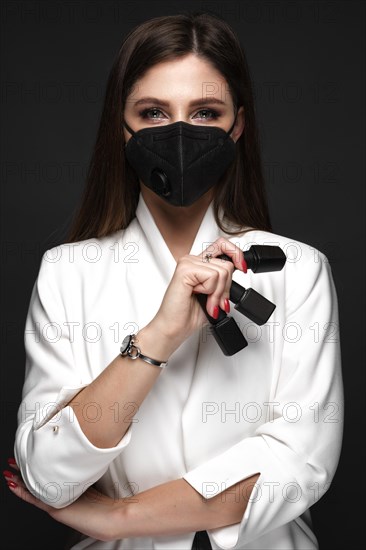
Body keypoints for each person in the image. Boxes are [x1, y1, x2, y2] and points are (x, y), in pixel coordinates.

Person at [4, 11, 343, 550]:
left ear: (238, 126)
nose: (180, 135)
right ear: (122, 125)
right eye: (154, 112)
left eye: (205, 112)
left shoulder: (298, 270)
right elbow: (48, 474)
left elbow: (299, 462)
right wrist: (159, 336)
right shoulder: (67, 273)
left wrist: (118, 517)